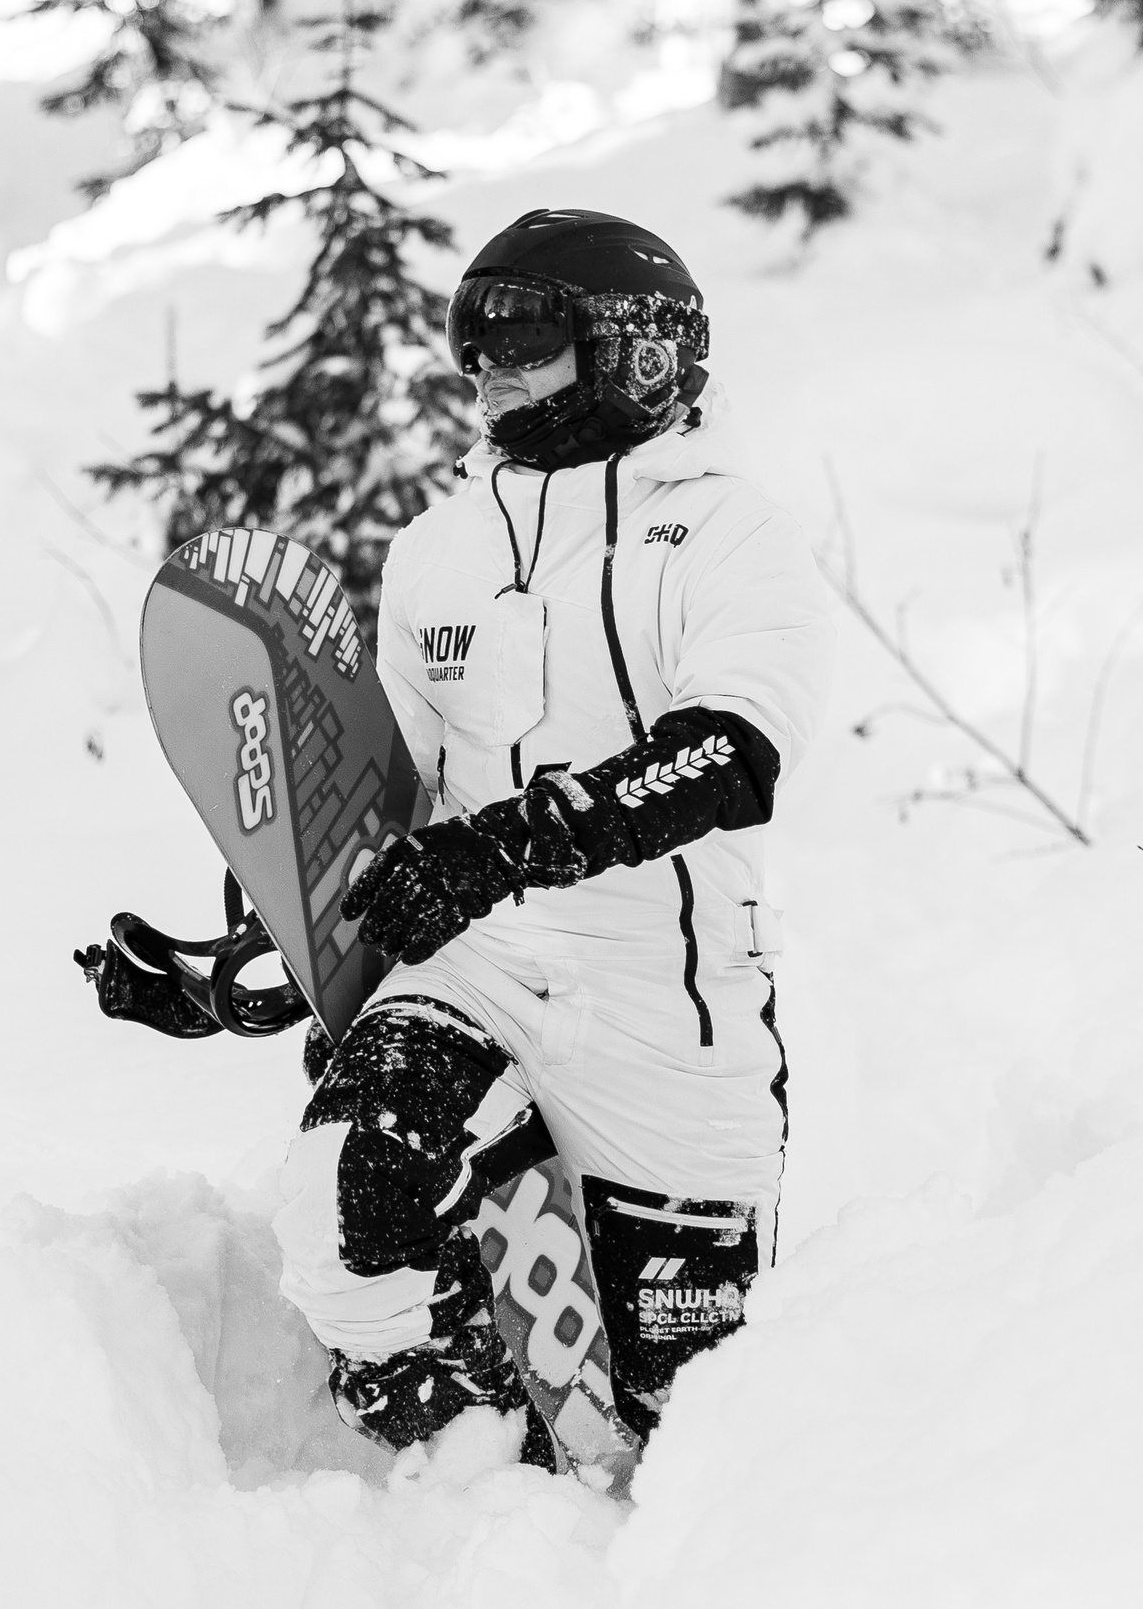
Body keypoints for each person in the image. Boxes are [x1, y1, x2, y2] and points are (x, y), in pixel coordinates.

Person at [268, 208, 834, 1466]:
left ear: (638, 348)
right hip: (475, 976)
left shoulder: (729, 535)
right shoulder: (436, 554)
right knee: (343, 1203)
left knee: (672, 1444)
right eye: (470, 346)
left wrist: (500, 847)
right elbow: (385, 805)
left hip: (666, 1022)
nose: (487, 372)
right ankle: (466, 1461)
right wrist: (243, 962)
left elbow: (729, 757)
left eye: (520, 337)